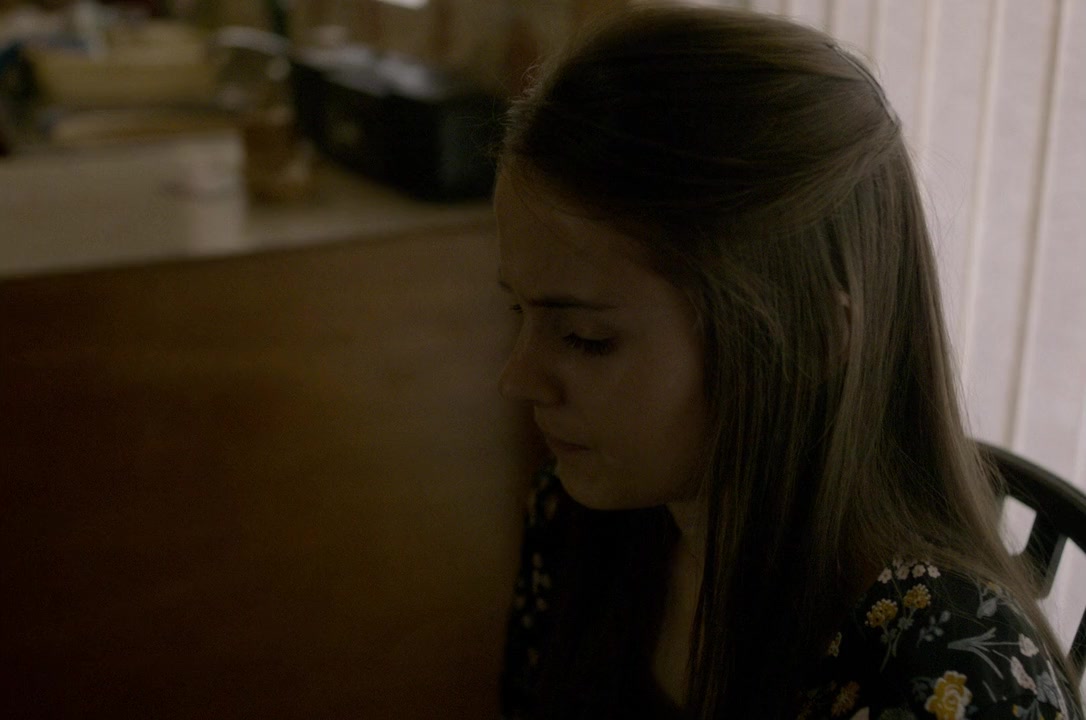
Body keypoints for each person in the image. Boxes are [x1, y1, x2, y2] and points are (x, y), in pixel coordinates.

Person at [492, 5, 1083, 720]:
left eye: (586, 337)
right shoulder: (582, 516)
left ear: (809, 341)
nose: (516, 378)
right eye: (518, 311)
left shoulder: (946, 679)